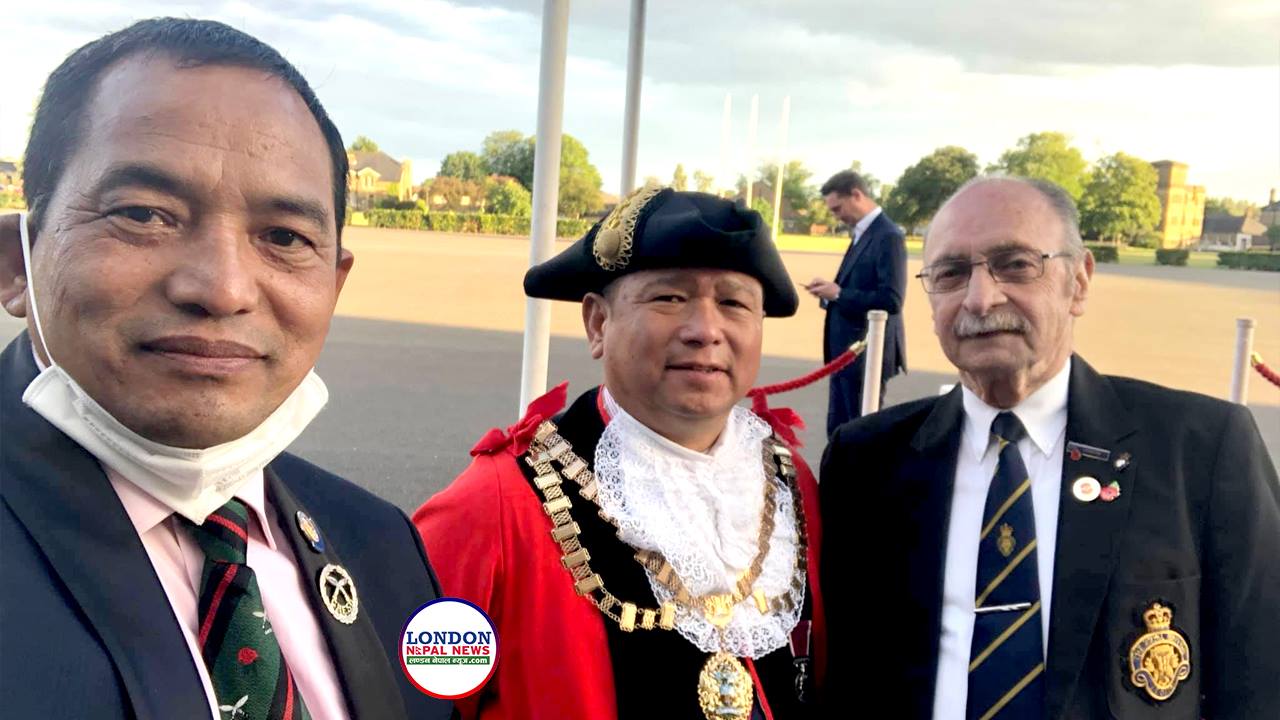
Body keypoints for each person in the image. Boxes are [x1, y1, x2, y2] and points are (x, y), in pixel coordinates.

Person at [0, 19, 452, 720]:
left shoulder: (382, 545)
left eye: (284, 237)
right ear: (16, 263)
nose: (223, 289)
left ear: (333, 284)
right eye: (144, 214)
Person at [819, 176, 1280, 719]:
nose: (980, 298)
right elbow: (846, 679)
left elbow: (1261, 685)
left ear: (1079, 282)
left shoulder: (1201, 450)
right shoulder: (866, 461)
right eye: (951, 273)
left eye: (1016, 265)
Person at [414, 186, 827, 719]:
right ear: (598, 323)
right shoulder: (493, 506)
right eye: (669, 298)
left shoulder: (791, 483)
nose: (706, 330)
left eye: (733, 303)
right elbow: (407, 703)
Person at [803, 170, 907, 434]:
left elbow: (892, 299)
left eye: (837, 209)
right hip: (846, 354)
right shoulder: (863, 232)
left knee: (858, 433)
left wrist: (838, 294)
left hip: (865, 354)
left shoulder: (888, 236)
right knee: (839, 429)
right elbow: (856, 284)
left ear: (857, 195)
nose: (836, 216)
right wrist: (829, 292)